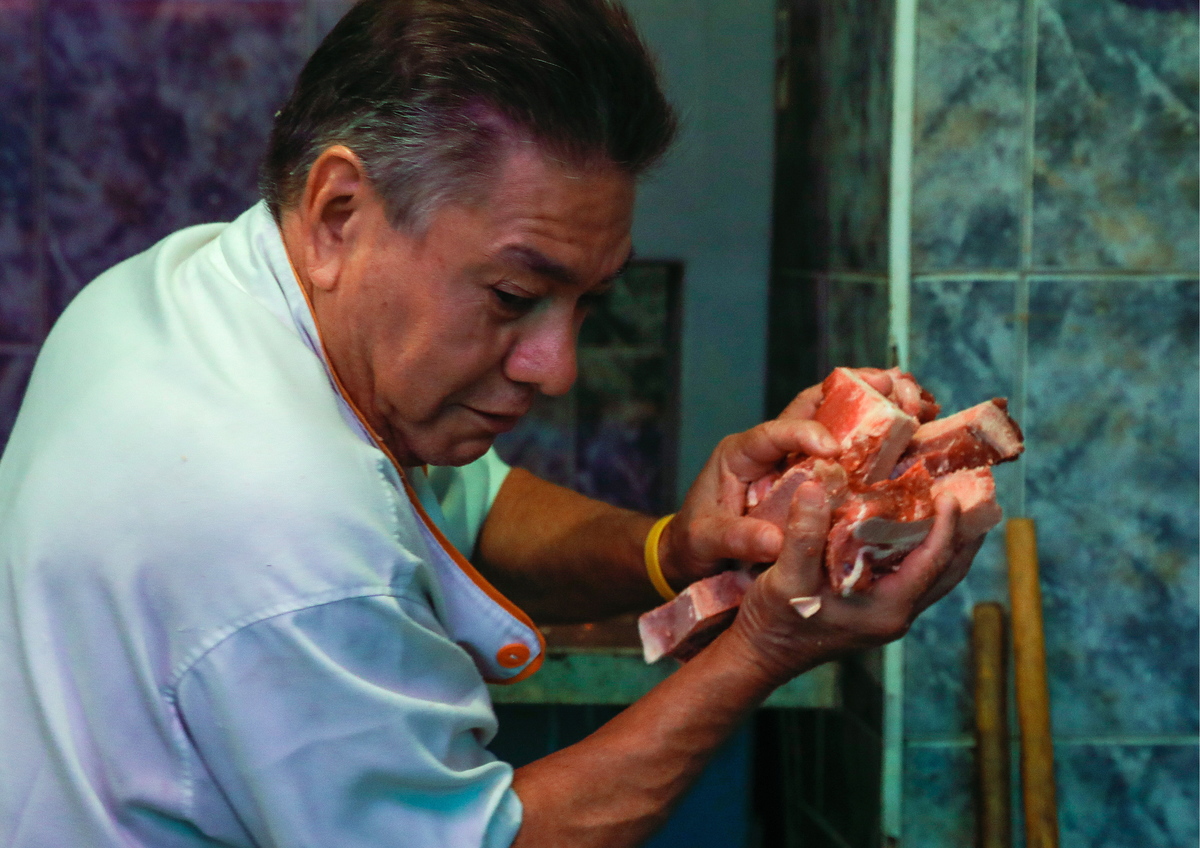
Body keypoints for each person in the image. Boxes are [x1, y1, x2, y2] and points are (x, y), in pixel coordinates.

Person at [0, 0, 978, 845]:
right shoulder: (279, 518)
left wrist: (673, 545)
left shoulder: (189, 287)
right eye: (514, 295)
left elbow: (471, 498)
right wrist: (764, 645)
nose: (556, 367)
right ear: (341, 210)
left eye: (586, 302)